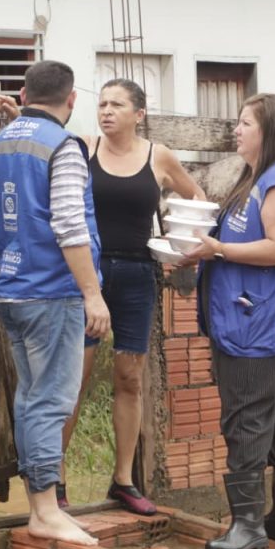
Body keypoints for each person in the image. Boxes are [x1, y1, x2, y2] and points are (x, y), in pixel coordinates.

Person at [61, 79, 205, 515]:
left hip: (139, 274)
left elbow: (196, 196)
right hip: (91, 276)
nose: (106, 111)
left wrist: (184, 243)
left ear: (139, 114)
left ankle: (123, 480)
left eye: (117, 105)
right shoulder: (84, 147)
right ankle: (56, 480)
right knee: (74, 379)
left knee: (129, 377)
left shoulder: (158, 156)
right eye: (102, 104)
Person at [0, 60, 110, 546]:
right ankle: (45, 510)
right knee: (51, 401)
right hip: (54, 292)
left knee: (31, 397)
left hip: (12, 289)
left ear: (23, 93)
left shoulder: (1, 143)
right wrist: (93, 294)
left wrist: (16, 266)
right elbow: (70, 224)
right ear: (71, 99)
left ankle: (43, 507)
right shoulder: (64, 146)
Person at [183, 93, 275, 549]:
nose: (236, 130)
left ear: (269, 131)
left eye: (245, 124)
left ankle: (247, 525)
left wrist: (218, 250)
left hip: (260, 324)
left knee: (245, 420)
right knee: (272, 419)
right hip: (247, 319)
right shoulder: (255, 178)